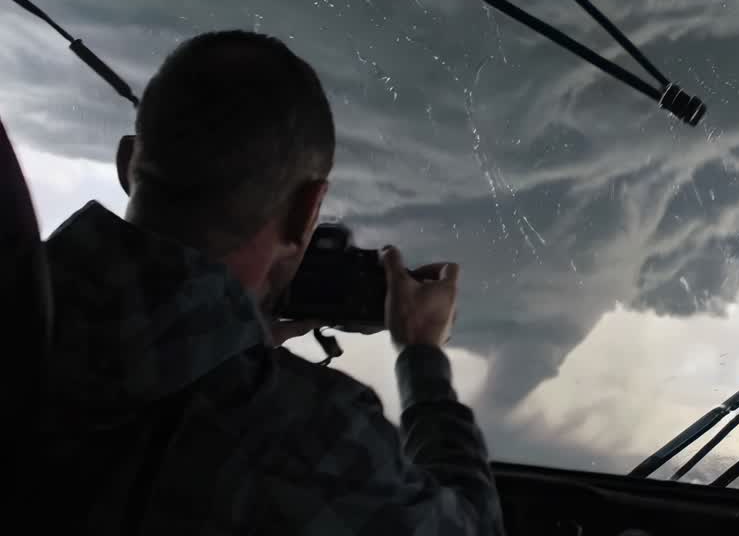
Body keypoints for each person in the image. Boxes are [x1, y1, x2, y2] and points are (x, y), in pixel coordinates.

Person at [37, 30, 505, 535]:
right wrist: (422, 357)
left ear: (129, 161)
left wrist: (239, 338)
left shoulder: (22, 320)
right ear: (309, 210)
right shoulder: (310, 440)